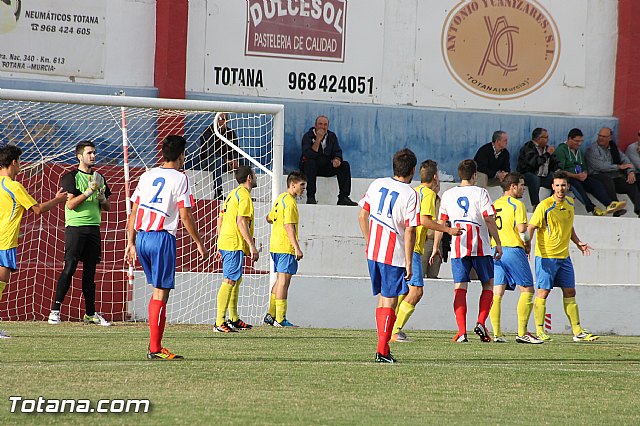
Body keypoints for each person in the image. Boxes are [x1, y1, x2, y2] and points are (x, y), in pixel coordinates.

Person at [125, 135, 208, 360]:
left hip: (142, 238)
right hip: (162, 239)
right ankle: (155, 348)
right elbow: (185, 214)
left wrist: (130, 243)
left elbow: (134, 211)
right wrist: (199, 242)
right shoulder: (180, 178)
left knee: (157, 291)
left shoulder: (146, 174)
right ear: (182, 155)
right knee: (162, 292)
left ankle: (155, 345)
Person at [430, 159, 502, 343]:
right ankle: (480, 322)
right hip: (480, 246)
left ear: (460, 175)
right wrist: (498, 243)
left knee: (460, 288)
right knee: (488, 285)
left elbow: (442, 223)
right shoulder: (482, 193)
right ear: (475, 175)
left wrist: (436, 246)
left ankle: (462, 332)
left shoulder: (448, 194)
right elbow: (489, 219)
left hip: (458, 247)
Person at [358, 148, 419, 363]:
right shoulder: (411, 194)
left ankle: (382, 347)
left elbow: (362, 214)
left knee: (383, 298)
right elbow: (410, 230)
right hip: (393, 255)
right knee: (390, 300)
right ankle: (382, 350)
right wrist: (410, 262)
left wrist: (368, 240)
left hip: (374, 251)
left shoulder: (377, 184)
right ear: (413, 170)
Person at [390, 160, 462, 342]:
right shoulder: (428, 194)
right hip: (413, 247)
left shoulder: (415, 190)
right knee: (416, 291)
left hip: (404, 244)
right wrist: (448, 230)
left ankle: (391, 326)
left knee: (405, 291)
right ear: (435, 177)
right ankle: (395, 329)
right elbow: (424, 220)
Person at [0, 145, 67, 338]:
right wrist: (58, 199)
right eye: (19, 162)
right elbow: (37, 209)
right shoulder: (13, 186)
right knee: (0, 285)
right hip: (4, 241)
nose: (20, 166)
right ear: (13, 162)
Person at [527, 171, 599, 342]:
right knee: (543, 292)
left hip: (564, 257)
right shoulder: (544, 206)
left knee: (570, 291)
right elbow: (531, 227)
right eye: (557, 185)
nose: (560, 189)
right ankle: (539, 331)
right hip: (546, 257)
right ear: (552, 187)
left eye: (563, 185)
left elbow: (569, 226)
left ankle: (577, 331)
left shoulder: (570, 203)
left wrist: (578, 242)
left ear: (568, 187)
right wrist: (527, 245)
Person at [48, 141, 113, 326]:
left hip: (94, 228)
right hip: (76, 228)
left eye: (94, 153)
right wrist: (87, 192)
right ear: (79, 156)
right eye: (89, 153)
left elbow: (107, 206)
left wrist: (101, 198)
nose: (93, 156)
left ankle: (90, 313)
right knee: (69, 268)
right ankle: (55, 310)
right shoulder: (71, 177)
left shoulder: (99, 177)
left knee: (90, 274)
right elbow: (70, 204)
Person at [488, 173, 543, 344]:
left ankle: (497, 334)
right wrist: (527, 244)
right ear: (512, 186)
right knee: (527, 290)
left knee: (497, 292)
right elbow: (521, 230)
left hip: (495, 250)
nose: (523, 188)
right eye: (521, 185)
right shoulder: (517, 205)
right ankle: (522, 333)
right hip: (512, 249)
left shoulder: (495, 204)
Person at [214, 165, 259, 333]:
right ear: (249, 177)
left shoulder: (232, 194)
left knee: (235, 279)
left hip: (227, 241)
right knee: (229, 280)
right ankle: (219, 322)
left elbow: (220, 220)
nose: (255, 177)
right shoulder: (244, 196)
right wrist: (252, 246)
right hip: (234, 243)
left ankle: (233, 318)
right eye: (254, 174)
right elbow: (241, 222)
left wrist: (219, 243)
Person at [263, 171, 307, 328]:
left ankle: (271, 315)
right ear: (292, 184)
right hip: (285, 247)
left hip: (275, 245)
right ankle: (280, 319)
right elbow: (288, 226)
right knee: (284, 282)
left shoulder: (280, 198)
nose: (303, 189)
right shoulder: (289, 202)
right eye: (302, 185)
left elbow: (269, 218)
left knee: (278, 281)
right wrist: (297, 248)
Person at [554, 128, 626, 216]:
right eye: (576, 141)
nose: (579, 144)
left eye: (581, 141)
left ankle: (609, 204)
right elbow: (559, 171)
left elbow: (584, 167)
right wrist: (575, 176)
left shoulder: (578, 151)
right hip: (567, 178)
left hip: (579, 177)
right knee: (577, 185)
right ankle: (592, 208)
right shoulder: (561, 150)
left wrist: (584, 174)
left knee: (595, 183)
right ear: (569, 139)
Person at [300, 115, 357, 206]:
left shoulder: (331, 136)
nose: (323, 127)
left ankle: (343, 197)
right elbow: (309, 155)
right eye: (320, 124)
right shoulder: (308, 136)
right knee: (310, 163)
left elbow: (337, 151)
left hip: (325, 166)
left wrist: (337, 159)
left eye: (325, 124)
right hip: (310, 167)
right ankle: (311, 197)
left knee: (345, 165)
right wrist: (318, 139)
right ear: (315, 125)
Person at [586, 127, 640, 217]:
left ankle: (639, 210)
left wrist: (630, 172)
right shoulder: (592, 149)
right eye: (600, 136)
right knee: (607, 180)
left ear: (610, 138)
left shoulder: (613, 148)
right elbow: (600, 167)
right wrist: (618, 167)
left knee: (631, 184)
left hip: (613, 176)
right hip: (597, 175)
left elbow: (625, 160)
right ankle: (616, 209)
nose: (601, 138)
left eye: (604, 136)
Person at [199, 113, 240, 201]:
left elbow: (236, 150)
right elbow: (208, 152)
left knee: (245, 162)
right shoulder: (208, 132)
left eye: (224, 119)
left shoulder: (230, 133)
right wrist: (226, 160)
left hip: (226, 163)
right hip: (208, 162)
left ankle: (244, 191)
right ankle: (218, 191)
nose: (222, 121)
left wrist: (234, 160)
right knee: (218, 160)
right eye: (220, 118)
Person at [516, 128, 559, 208]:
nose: (547, 140)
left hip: (543, 176)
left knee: (557, 181)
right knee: (534, 179)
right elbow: (534, 163)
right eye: (545, 137)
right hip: (528, 175)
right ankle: (536, 205)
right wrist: (547, 154)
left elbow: (554, 163)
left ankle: (552, 203)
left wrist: (558, 169)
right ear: (538, 138)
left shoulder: (546, 148)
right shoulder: (528, 147)